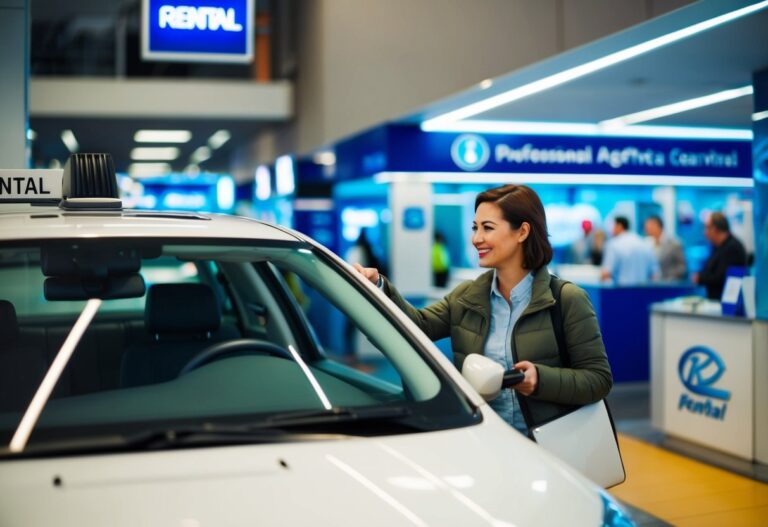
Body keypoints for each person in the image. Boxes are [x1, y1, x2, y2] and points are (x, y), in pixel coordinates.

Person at [353, 184, 613, 434]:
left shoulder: (566, 299)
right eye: (475, 227)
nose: (476, 238)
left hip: (547, 447)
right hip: (485, 440)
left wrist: (540, 380)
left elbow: (598, 379)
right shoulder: (468, 296)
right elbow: (416, 327)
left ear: (522, 232)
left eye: (487, 228)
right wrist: (377, 285)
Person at [693, 211, 748, 300]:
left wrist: (700, 278)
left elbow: (721, 278)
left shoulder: (732, 248)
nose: (705, 233)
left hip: (726, 307)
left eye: (706, 228)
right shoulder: (717, 247)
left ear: (715, 229)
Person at [600, 216, 659, 285]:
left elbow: (606, 274)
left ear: (619, 226)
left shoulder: (614, 244)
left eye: (612, 226)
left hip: (621, 292)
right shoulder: (644, 244)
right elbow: (654, 275)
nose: (611, 230)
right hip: (643, 292)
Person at [643, 215, 687, 281]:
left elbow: (682, 268)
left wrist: (668, 278)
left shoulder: (674, 244)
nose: (646, 229)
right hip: (653, 285)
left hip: (669, 285)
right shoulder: (647, 243)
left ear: (658, 226)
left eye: (649, 226)